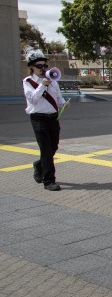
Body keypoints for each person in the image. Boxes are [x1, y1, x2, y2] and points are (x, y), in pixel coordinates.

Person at [22, 49, 67, 191]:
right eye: (39, 66)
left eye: (45, 66)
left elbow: (59, 98)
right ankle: (49, 181)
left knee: (54, 147)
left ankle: (39, 165)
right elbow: (33, 99)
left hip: (53, 118)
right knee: (46, 150)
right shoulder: (28, 82)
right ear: (32, 67)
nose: (43, 68)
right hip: (39, 119)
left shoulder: (53, 81)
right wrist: (42, 85)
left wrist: (64, 103)